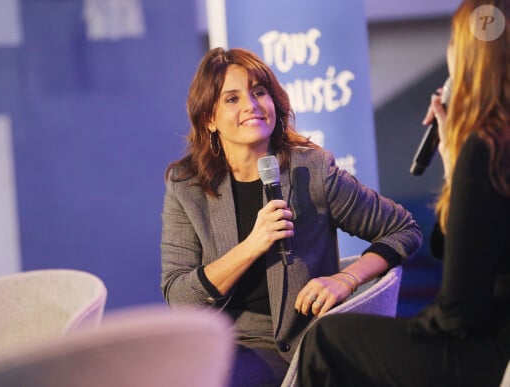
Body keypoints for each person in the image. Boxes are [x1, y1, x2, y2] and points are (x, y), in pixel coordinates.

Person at [160, 46, 422, 386]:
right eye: (232, 99)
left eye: (259, 92)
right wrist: (253, 245)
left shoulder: (310, 170)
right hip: (231, 345)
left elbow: (403, 229)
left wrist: (346, 279)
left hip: (305, 343)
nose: (251, 106)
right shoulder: (187, 186)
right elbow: (180, 296)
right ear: (209, 118)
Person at [297, 0, 510, 385]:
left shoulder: (488, 147)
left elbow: (457, 314)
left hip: (491, 352)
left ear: (469, 56)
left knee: (326, 340)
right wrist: (452, 165)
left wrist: (412, 333)